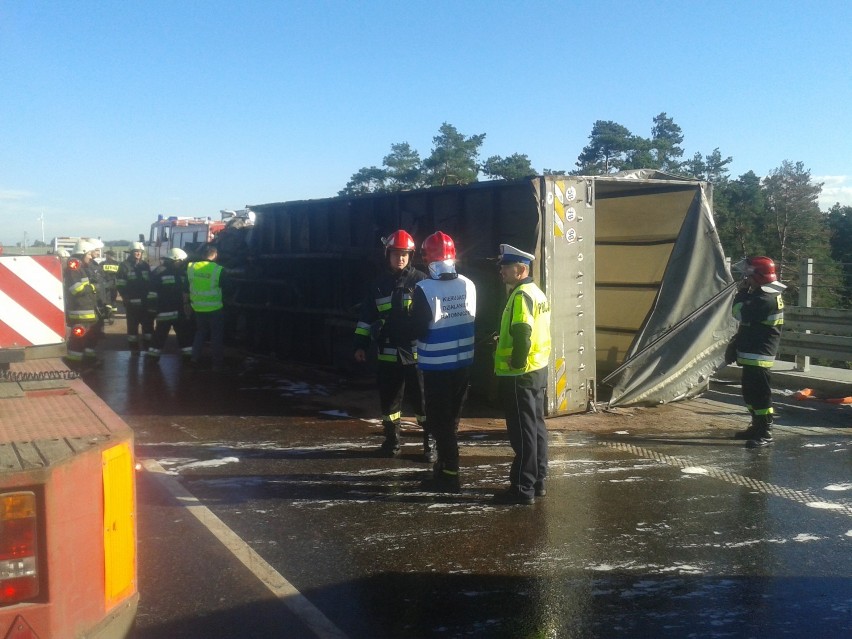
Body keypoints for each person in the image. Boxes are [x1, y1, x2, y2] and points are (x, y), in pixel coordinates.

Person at [406, 231, 476, 493]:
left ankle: (450, 473)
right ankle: (445, 467)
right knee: (453, 420)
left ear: (427, 258)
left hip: (437, 366)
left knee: (438, 421)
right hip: (464, 364)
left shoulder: (424, 288)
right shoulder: (469, 284)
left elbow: (418, 330)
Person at [354, 230, 432, 459]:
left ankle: (430, 444)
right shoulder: (377, 285)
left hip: (416, 354)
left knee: (423, 402)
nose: (400, 258)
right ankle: (392, 442)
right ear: (388, 254)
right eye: (396, 254)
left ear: (411, 256)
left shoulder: (422, 281)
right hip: (387, 353)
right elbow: (366, 318)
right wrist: (360, 344)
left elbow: (429, 318)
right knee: (390, 403)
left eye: (405, 254)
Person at [491, 244, 552, 505]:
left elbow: (523, 334)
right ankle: (537, 480)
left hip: (520, 374)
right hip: (536, 370)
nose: (502, 271)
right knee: (536, 428)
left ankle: (522, 488)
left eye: (506, 266)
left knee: (522, 433)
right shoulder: (536, 293)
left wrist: (515, 363)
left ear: (521, 269)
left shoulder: (520, 296)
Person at [725, 256, 786, 448]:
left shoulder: (766, 298)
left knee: (760, 396)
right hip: (752, 352)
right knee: (750, 394)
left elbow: (739, 313)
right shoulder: (762, 293)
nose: (746, 279)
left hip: (759, 355)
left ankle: (765, 432)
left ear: (758, 276)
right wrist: (736, 344)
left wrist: (741, 293)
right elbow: (748, 325)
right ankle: (756, 427)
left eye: (749, 275)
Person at [146, 247, 194, 362]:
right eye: (181, 262)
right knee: (160, 336)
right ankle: (153, 357)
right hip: (166, 310)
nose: (183, 264)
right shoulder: (159, 272)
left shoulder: (180, 272)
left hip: (177, 311)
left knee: (183, 336)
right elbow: (152, 293)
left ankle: (188, 356)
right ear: (175, 260)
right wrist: (152, 309)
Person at [63, 239, 102, 368]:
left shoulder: (81, 267)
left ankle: (87, 361)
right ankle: (73, 365)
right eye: (89, 254)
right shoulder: (74, 267)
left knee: (91, 336)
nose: (91, 257)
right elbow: (76, 289)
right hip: (80, 312)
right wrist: (93, 287)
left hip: (87, 310)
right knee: (78, 340)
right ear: (82, 253)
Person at [187, 244, 226, 371]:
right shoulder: (218, 269)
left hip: (198, 307)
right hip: (214, 308)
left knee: (200, 333)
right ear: (215, 255)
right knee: (216, 336)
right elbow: (228, 288)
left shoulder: (191, 267)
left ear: (203, 255)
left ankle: (194, 358)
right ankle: (216, 364)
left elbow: (186, 285)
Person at [116, 241, 153, 354]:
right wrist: (125, 298)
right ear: (131, 252)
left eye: (140, 252)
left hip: (145, 303)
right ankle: (134, 349)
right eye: (136, 251)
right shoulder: (124, 266)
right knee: (132, 328)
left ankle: (148, 347)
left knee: (148, 327)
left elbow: (150, 283)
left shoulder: (145, 265)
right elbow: (120, 284)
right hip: (131, 303)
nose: (138, 253)